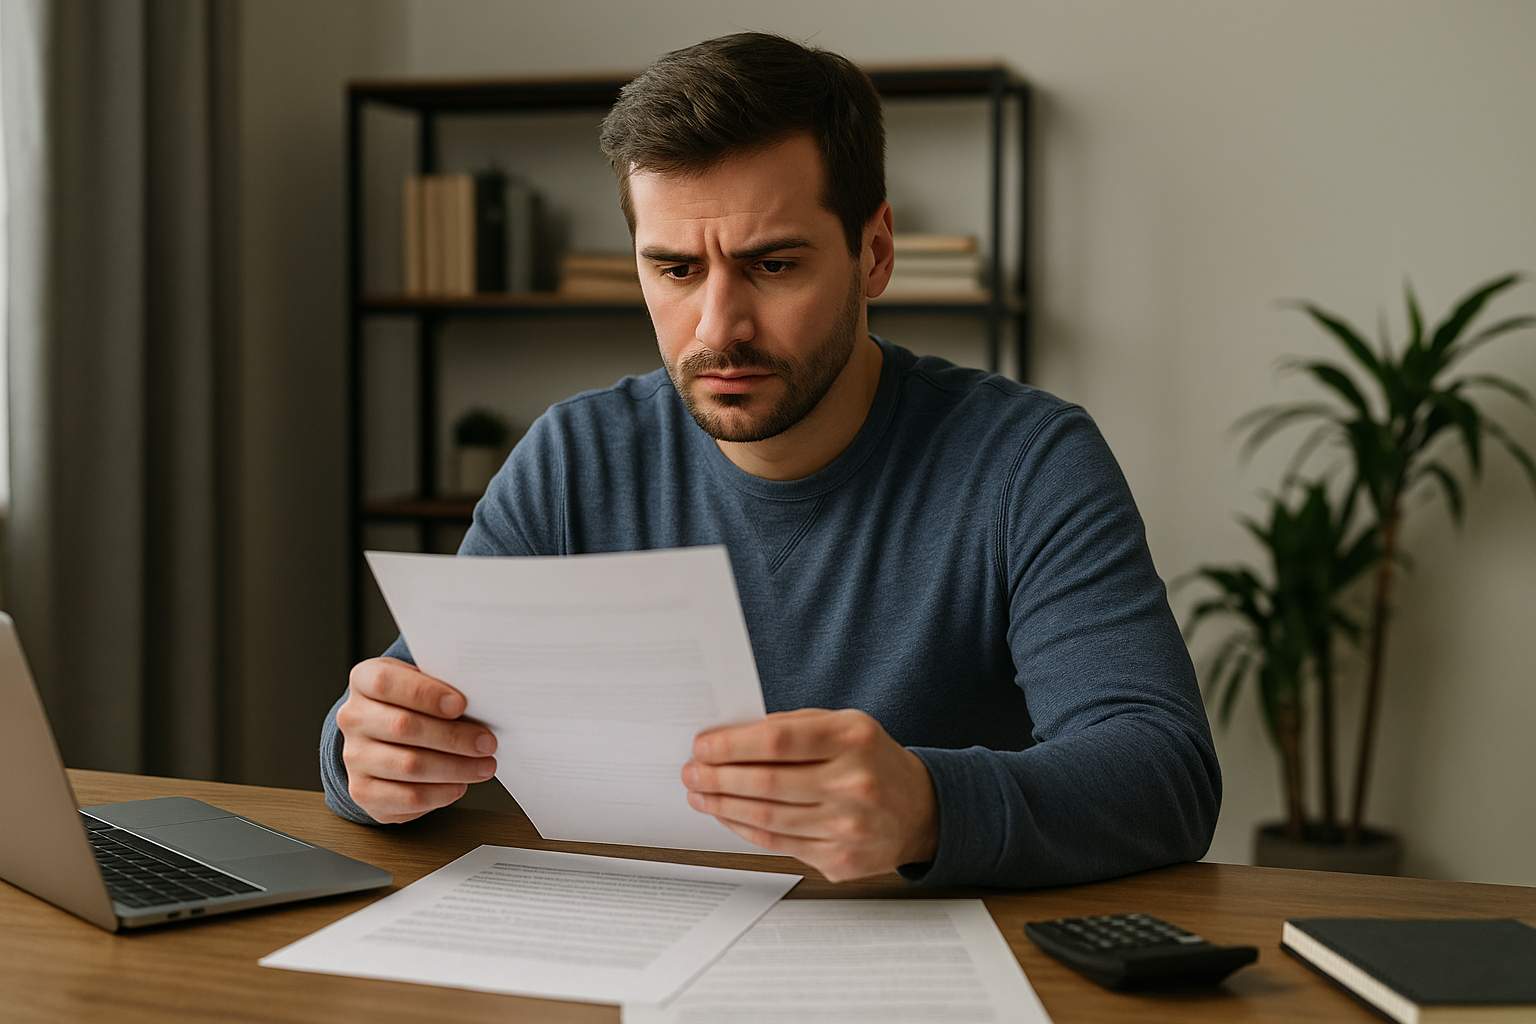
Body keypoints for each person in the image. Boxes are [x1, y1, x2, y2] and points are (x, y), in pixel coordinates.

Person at [321, 32, 1220, 888]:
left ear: (873, 253)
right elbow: (402, 712)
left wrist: (928, 808)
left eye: (774, 265)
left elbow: (1162, 770)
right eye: (674, 271)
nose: (719, 329)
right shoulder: (572, 458)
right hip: (630, 937)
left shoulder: (1027, 461)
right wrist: (364, 755)